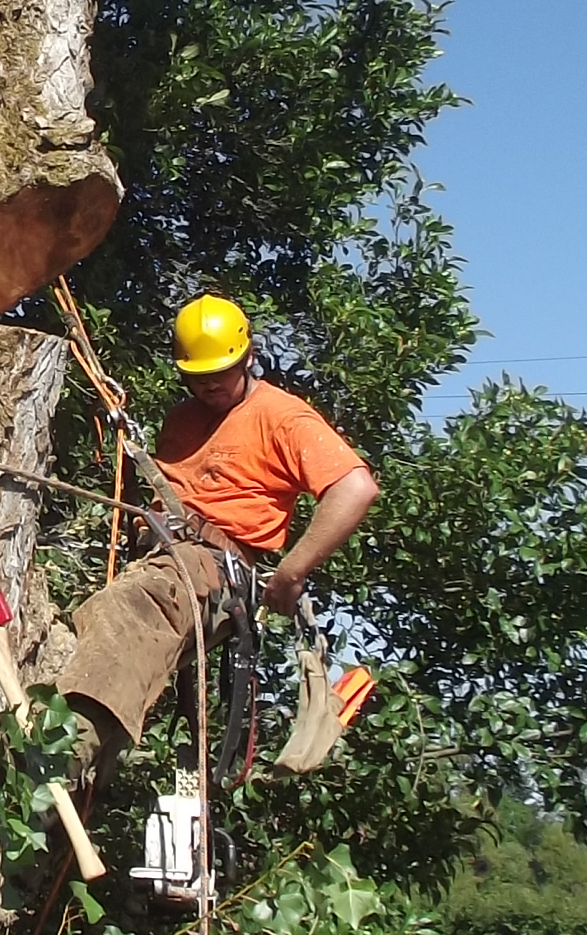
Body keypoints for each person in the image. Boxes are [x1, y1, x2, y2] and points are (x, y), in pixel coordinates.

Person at [57, 294, 378, 761]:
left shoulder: (282, 416)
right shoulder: (182, 418)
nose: (208, 387)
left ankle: (61, 750)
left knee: (130, 607)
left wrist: (291, 572)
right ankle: (71, 765)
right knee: (93, 631)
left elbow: (355, 488)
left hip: (212, 569)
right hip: (161, 559)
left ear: (248, 358)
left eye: (220, 374)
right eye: (197, 377)